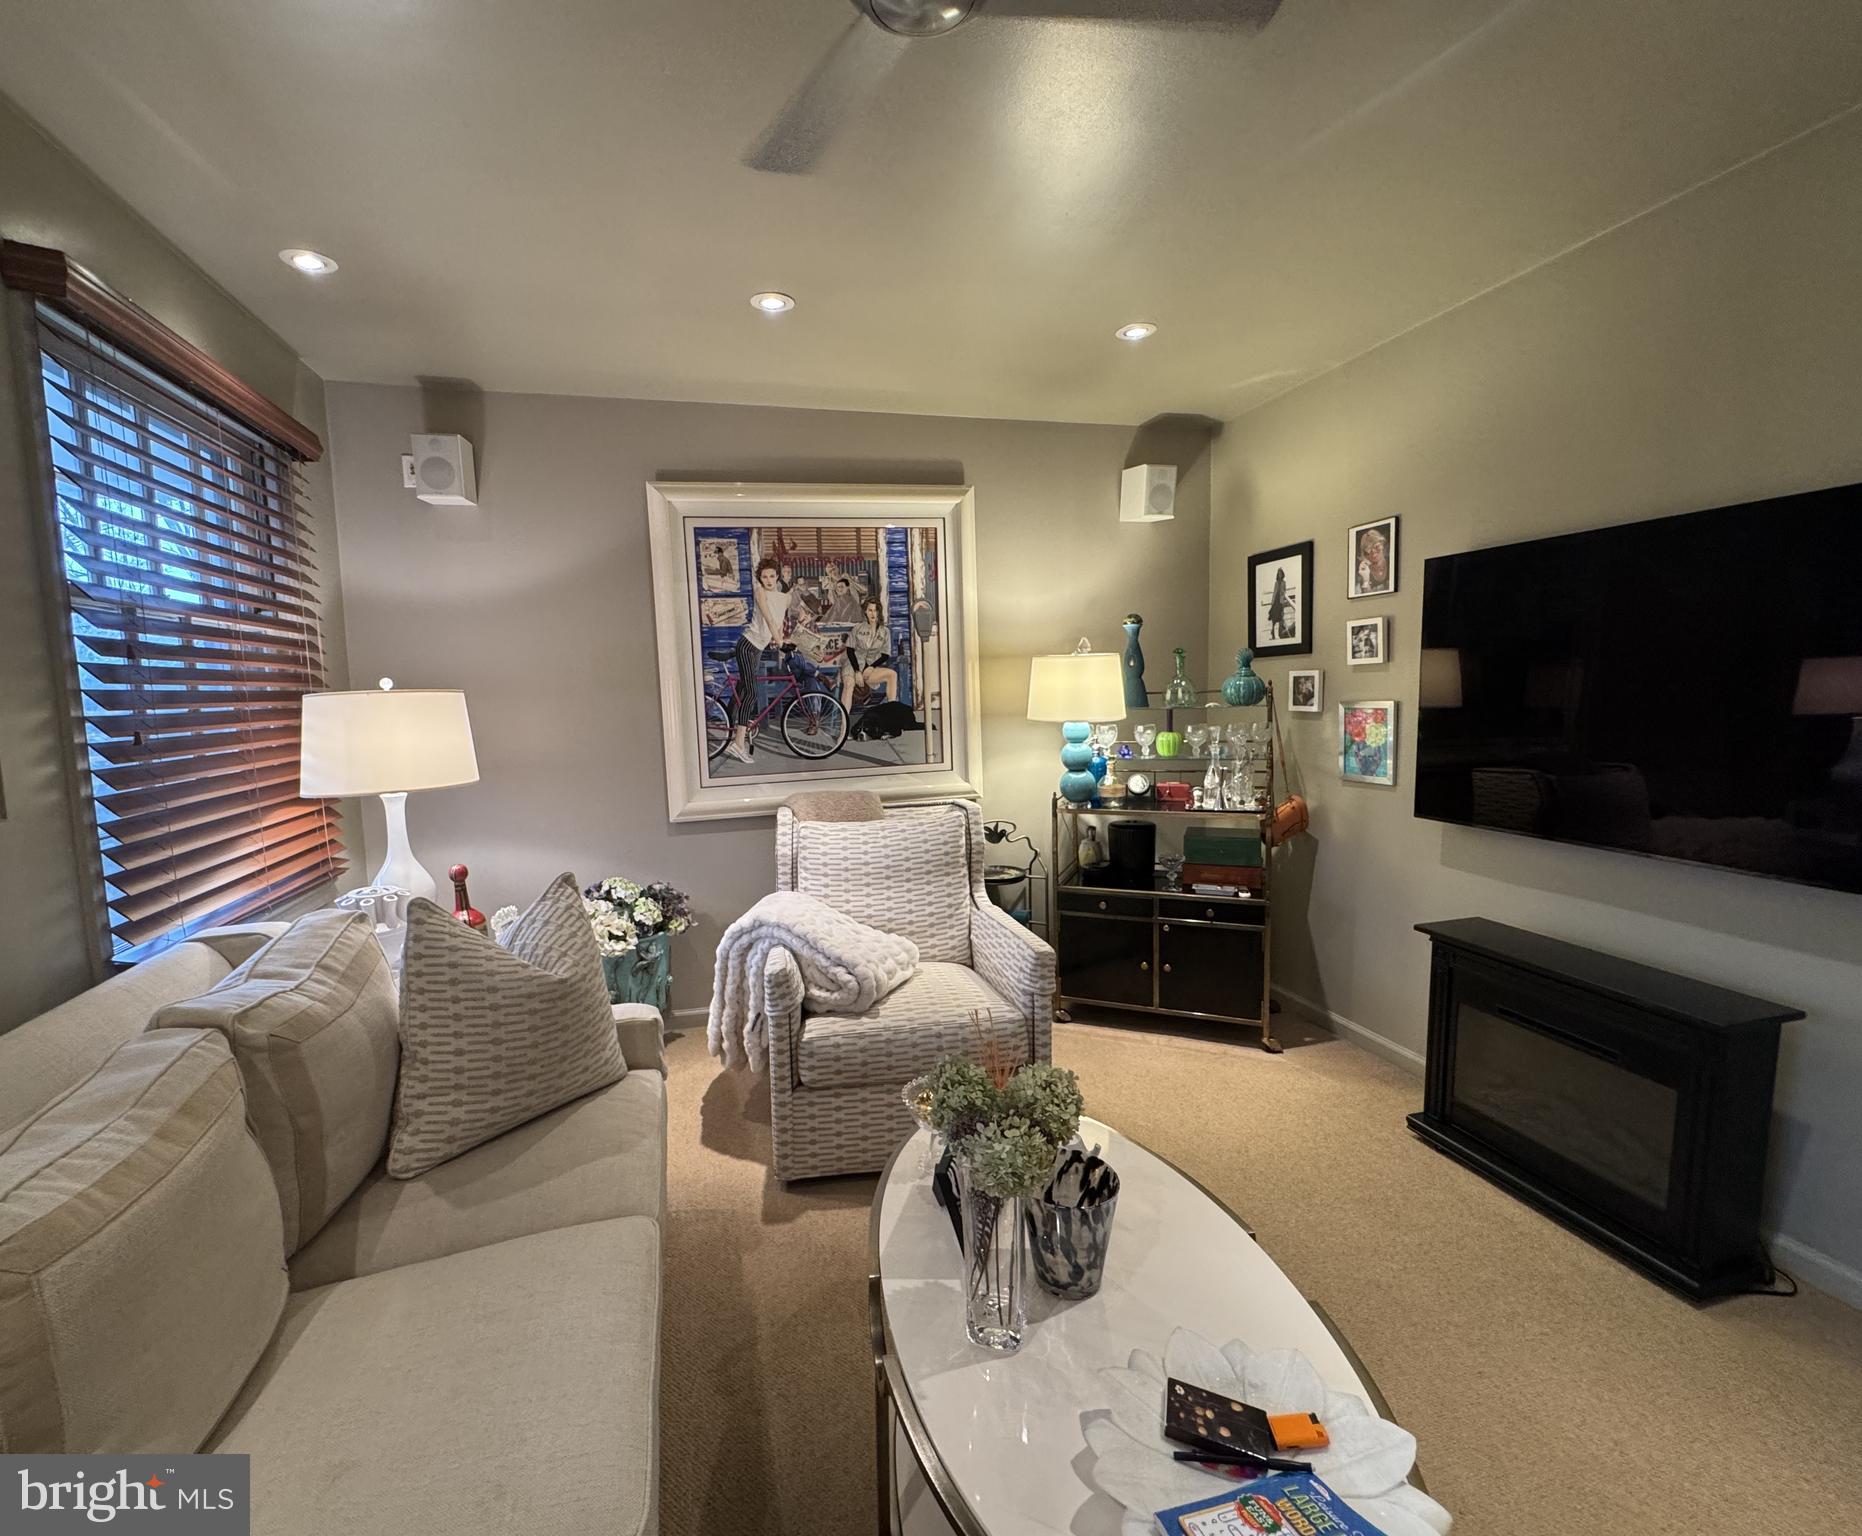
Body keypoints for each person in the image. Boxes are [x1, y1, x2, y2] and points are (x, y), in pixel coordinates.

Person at [726, 557, 790, 764]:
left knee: (745, 689)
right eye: (764, 576)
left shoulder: (782, 597)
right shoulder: (760, 591)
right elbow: (768, 618)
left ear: (777, 576)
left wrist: (780, 640)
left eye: (772, 576)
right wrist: (780, 642)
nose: (769, 580)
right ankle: (737, 743)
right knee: (752, 693)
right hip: (747, 645)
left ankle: (730, 725)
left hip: (759, 648)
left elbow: (778, 622)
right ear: (760, 578)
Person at [840, 597, 900, 713]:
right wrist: (857, 671)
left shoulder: (884, 631)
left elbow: (885, 655)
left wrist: (871, 667)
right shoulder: (858, 628)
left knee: (892, 675)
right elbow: (850, 650)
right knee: (849, 684)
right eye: (870, 610)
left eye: (876, 610)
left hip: (870, 667)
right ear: (866, 612)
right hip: (853, 665)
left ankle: (892, 713)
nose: (873, 614)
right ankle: (844, 722)